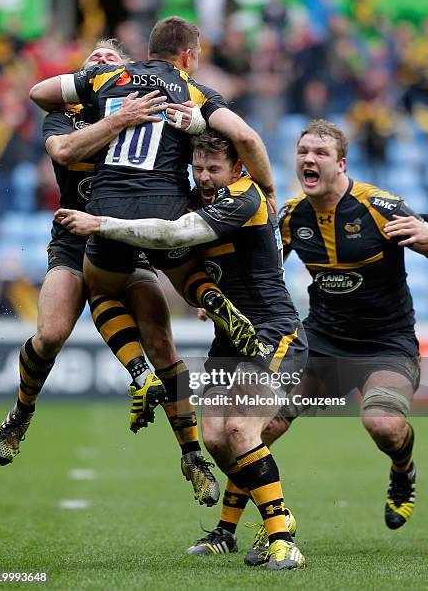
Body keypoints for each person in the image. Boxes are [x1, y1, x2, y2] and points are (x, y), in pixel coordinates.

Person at [165, 119, 425, 563]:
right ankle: (227, 530)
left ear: (341, 163)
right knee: (254, 428)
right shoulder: (290, 216)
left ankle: (402, 472)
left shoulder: (379, 207)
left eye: (320, 153)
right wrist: (216, 295)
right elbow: (258, 269)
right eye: (304, 151)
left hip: (386, 344)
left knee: (383, 425)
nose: (309, 158)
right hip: (321, 343)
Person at [54, 130, 308, 571]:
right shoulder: (197, 198)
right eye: (199, 168)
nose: (205, 177)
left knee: (240, 432)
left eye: (214, 169)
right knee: (213, 438)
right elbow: (184, 268)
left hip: (270, 330)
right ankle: (247, 527)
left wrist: (102, 223)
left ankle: (283, 536)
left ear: (237, 169)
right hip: (230, 338)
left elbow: (175, 235)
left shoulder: (245, 196)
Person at [0, 40, 220, 508]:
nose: (101, 60)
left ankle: (192, 456)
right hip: (75, 239)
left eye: (110, 57)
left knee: (162, 343)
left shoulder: (150, 108)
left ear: (127, 70)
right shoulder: (68, 112)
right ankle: (21, 412)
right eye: (94, 57)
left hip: (126, 235)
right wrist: (118, 119)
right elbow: (63, 150)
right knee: (51, 333)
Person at [28, 16, 274, 428]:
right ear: (189, 55)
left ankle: (142, 377)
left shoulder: (110, 79)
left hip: (109, 207)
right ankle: (208, 298)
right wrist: (267, 186)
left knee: (100, 290)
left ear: (140, 56)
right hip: (168, 204)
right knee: (183, 278)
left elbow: (38, 91)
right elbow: (246, 138)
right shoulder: (193, 90)